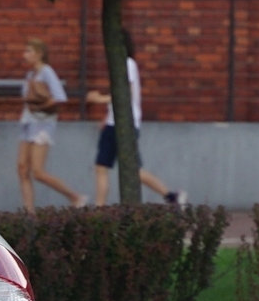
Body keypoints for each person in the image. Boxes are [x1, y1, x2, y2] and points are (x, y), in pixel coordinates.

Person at [83, 31, 183, 205]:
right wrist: (107, 116)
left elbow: (124, 94)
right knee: (105, 167)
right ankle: (170, 196)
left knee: (124, 169)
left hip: (123, 124)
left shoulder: (126, 64)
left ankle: (170, 195)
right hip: (115, 123)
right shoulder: (123, 64)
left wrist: (99, 99)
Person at [14, 38, 85, 209]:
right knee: (22, 167)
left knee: (37, 172)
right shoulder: (31, 74)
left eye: (29, 51)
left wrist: (42, 105)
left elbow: (60, 96)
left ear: (39, 54)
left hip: (42, 124)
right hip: (28, 121)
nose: (25, 55)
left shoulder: (46, 72)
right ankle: (29, 211)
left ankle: (75, 197)